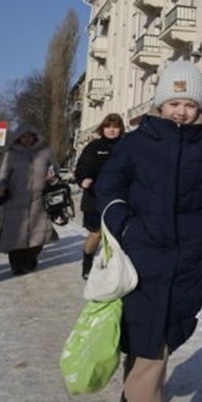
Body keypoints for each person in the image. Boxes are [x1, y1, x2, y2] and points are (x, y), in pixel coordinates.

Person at [96, 60, 202, 402]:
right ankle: (139, 398)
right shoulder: (135, 143)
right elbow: (109, 187)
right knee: (147, 341)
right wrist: (123, 225)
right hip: (140, 257)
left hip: (186, 259)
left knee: (161, 337)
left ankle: (135, 394)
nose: (181, 111)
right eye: (174, 103)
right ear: (160, 103)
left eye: (190, 104)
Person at [0, 125, 59, 275]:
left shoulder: (46, 153)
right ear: (18, 138)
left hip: (39, 201)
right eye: (24, 136)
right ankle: (17, 266)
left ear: (35, 137)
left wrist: (53, 178)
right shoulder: (11, 154)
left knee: (39, 235)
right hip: (15, 200)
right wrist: (0, 188)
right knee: (15, 236)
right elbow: (2, 174)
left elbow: (55, 169)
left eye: (30, 136)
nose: (27, 139)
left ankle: (30, 259)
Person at [75, 112, 126, 279]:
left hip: (119, 198)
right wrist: (83, 179)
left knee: (116, 236)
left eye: (115, 127)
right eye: (108, 127)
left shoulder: (126, 146)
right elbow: (82, 167)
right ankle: (87, 264)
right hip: (94, 198)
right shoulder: (94, 146)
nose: (111, 130)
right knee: (96, 234)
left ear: (121, 129)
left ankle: (112, 268)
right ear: (102, 128)